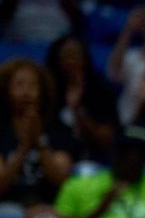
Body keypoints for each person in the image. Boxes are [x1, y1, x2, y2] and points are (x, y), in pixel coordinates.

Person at [0, 58, 74, 211]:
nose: (26, 92)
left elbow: (61, 182)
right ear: (6, 90)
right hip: (7, 206)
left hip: (49, 206)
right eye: (19, 84)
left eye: (33, 85)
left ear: (42, 91)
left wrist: (39, 142)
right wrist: (24, 147)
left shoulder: (58, 130)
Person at [45, 35, 118, 163]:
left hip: (93, 157)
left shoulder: (99, 89)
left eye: (75, 55)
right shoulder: (46, 89)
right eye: (66, 55)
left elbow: (107, 139)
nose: (71, 61)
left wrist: (78, 110)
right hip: (54, 155)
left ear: (85, 58)